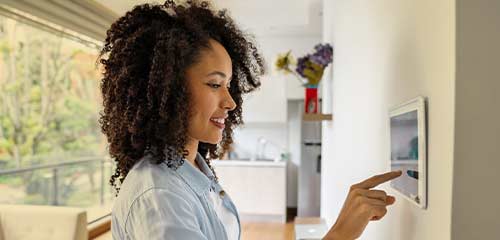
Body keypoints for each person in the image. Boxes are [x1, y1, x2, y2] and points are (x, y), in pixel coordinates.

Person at [97, 1, 402, 239]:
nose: (229, 102)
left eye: (229, 86)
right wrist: (339, 235)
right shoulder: (160, 198)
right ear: (167, 87)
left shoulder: (188, 168)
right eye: (215, 84)